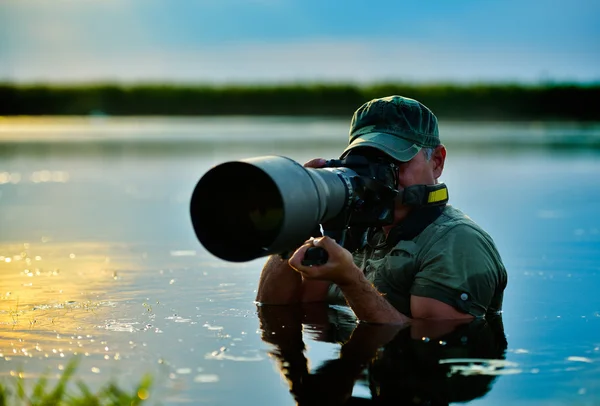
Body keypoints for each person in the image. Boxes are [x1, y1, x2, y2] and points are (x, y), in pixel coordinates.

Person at [256, 95, 507, 324]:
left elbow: (427, 344)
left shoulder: (457, 242)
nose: (379, 174)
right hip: (359, 370)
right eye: (368, 159)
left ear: (437, 162)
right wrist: (299, 215)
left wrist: (350, 280)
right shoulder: (357, 226)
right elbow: (280, 309)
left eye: (396, 160)